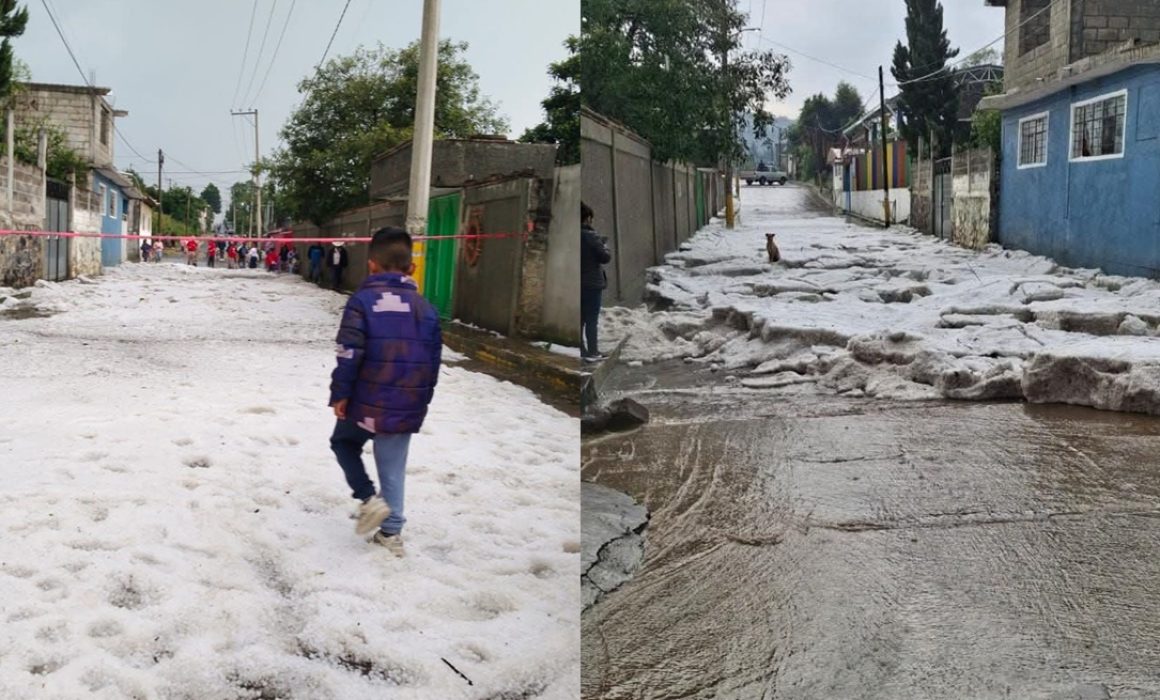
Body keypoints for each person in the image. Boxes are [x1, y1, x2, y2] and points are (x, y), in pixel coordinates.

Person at [328, 227, 442, 555]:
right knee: (392, 466)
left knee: (343, 443)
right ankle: (391, 534)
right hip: (407, 400)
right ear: (412, 268)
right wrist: (422, 401)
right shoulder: (426, 309)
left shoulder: (361, 302)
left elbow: (349, 352)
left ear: (371, 265)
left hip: (365, 401)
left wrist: (341, 395)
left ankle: (368, 499)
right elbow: (433, 363)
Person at [581, 201, 611, 362]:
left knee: (580, 319)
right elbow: (604, 257)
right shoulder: (590, 236)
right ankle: (593, 352)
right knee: (591, 319)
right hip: (591, 284)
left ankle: (582, 350)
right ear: (586, 219)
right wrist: (604, 245)